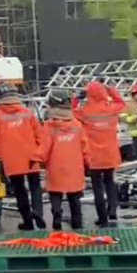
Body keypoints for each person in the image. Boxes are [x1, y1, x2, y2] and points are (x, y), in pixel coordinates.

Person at [0, 83, 45, 229]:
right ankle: (38, 212)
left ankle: (27, 221)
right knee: (35, 186)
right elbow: (40, 134)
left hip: (11, 158)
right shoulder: (27, 112)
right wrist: (40, 153)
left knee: (19, 190)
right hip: (31, 156)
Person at [75, 80, 124, 227]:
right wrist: (111, 90)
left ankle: (102, 218)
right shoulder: (111, 109)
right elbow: (121, 102)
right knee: (110, 181)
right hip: (110, 153)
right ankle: (113, 210)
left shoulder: (84, 111)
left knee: (97, 187)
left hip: (93, 155)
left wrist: (76, 98)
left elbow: (70, 112)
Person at [41, 89, 90, 230]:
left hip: (56, 165)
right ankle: (77, 223)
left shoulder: (49, 126)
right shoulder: (77, 125)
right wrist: (88, 162)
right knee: (74, 197)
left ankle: (57, 214)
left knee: (55, 193)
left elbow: (44, 148)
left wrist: (37, 160)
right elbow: (84, 146)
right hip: (74, 165)